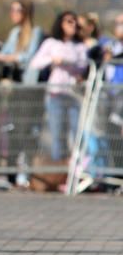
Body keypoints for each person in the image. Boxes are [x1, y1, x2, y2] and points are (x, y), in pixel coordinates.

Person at [28, 11, 89, 162]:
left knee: (77, 133)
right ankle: (59, 170)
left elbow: (84, 65)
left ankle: (78, 168)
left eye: (75, 21)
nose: (73, 24)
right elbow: (35, 62)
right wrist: (52, 59)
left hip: (74, 94)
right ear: (60, 24)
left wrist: (67, 62)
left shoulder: (80, 46)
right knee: (58, 134)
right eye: (69, 21)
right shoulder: (51, 43)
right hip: (55, 94)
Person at [0, 0, 43, 82]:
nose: (13, 13)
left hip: (27, 78)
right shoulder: (15, 32)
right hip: (13, 76)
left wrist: (5, 57)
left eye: (17, 10)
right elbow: (5, 51)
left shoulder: (36, 32)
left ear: (26, 12)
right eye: (11, 10)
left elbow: (29, 56)